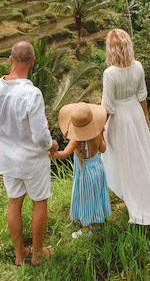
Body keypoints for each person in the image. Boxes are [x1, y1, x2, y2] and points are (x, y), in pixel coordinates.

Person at [0, 41, 59, 266]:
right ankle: (37, 254)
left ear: (10, 59)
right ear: (33, 62)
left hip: (8, 158)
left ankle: (20, 255)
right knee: (39, 203)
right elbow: (39, 135)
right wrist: (52, 144)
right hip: (32, 160)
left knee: (14, 203)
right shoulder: (32, 93)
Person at [100, 29, 150, 225]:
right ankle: (135, 197)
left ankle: (135, 201)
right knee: (141, 157)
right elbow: (142, 95)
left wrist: (99, 129)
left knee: (125, 161)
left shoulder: (110, 73)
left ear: (111, 49)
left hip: (119, 119)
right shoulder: (138, 66)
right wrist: (145, 117)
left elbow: (108, 107)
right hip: (135, 114)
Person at [49, 102, 112, 238]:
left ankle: (85, 229)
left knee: (85, 199)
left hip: (85, 172)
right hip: (97, 168)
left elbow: (64, 153)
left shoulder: (76, 140)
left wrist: (50, 154)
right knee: (95, 196)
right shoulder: (96, 134)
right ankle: (95, 224)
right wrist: (102, 135)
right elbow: (103, 149)